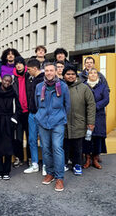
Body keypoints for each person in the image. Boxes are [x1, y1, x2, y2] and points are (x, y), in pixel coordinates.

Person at [35, 63, 70, 192]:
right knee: (45, 148)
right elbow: (36, 103)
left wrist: (60, 116)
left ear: (56, 72)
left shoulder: (63, 86)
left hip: (58, 122)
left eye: (51, 70)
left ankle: (59, 178)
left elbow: (67, 105)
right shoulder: (39, 87)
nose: (49, 73)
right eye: (47, 70)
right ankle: (50, 172)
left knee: (57, 147)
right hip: (43, 121)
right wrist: (40, 116)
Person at [62, 65, 95, 176]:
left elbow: (91, 105)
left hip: (79, 122)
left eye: (72, 74)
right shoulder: (60, 87)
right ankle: (64, 163)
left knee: (77, 147)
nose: (70, 76)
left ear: (76, 75)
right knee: (64, 146)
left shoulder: (84, 88)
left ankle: (77, 165)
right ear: (64, 76)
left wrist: (91, 122)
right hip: (63, 123)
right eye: (68, 74)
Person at [83, 68, 110, 169]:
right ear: (88, 75)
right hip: (86, 115)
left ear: (98, 76)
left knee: (98, 137)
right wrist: (88, 107)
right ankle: (87, 158)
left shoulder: (102, 86)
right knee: (87, 137)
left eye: (95, 73)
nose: (93, 75)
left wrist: (95, 106)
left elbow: (106, 99)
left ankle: (95, 158)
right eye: (91, 73)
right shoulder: (84, 86)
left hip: (99, 116)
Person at [23, 58, 44, 174]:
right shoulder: (32, 79)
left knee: (44, 140)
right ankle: (34, 164)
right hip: (32, 114)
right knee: (32, 140)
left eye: (29, 69)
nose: (28, 71)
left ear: (35, 69)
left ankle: (46, 165)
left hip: (41, 115)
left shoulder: (45, 80)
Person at [12, 56, 30, 167]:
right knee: (17, 137)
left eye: (20, 63)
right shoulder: (13, 78)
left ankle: (29, 158)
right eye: (16, 63)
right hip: (18, 112)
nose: (18, 65)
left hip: (29, 112)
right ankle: (18, 157)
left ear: (24, 65)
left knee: (30, 137)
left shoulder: (29, 77)